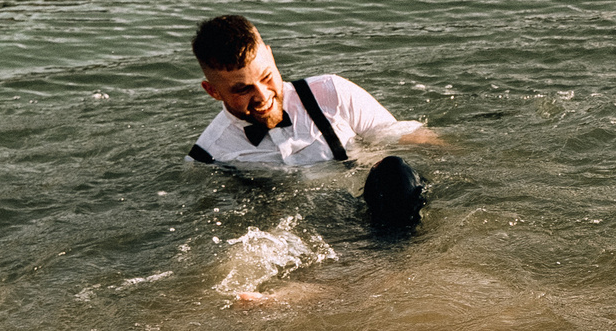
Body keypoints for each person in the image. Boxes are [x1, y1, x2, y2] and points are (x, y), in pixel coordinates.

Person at [185, 15, 433, 236]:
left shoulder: (332, 93)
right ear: (213, 91)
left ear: (271, 56)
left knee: (395, 171)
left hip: (381, 213)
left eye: (267, 77)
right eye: (242, 89)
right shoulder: (208, 156)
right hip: (309, 237)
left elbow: (410, 137)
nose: (262, 96)